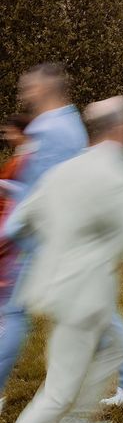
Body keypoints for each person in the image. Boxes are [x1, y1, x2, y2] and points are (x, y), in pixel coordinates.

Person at [7, 96, 123, 423]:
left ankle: (78, 421)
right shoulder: (122, 174)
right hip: (85, 296)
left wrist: (53, 243)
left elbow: (19, 223)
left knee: (121, 344)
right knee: (56, 395)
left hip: (57, 285)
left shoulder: (61, 171)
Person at [0, 63, 89, 411]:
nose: (25, 94)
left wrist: (8, 234)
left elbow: (36, 193)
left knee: (13, 314)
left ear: (46, 89)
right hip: (66, 234)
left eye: (29, 88)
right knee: (86, 312)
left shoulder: (46, 128)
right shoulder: (73, 123)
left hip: (39, 240)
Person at [0, 116, 34, 303]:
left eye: (10, 132)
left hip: (12, 221)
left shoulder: (28, 158)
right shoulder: (19, 156)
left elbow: (27, 190)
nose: (7, 136)